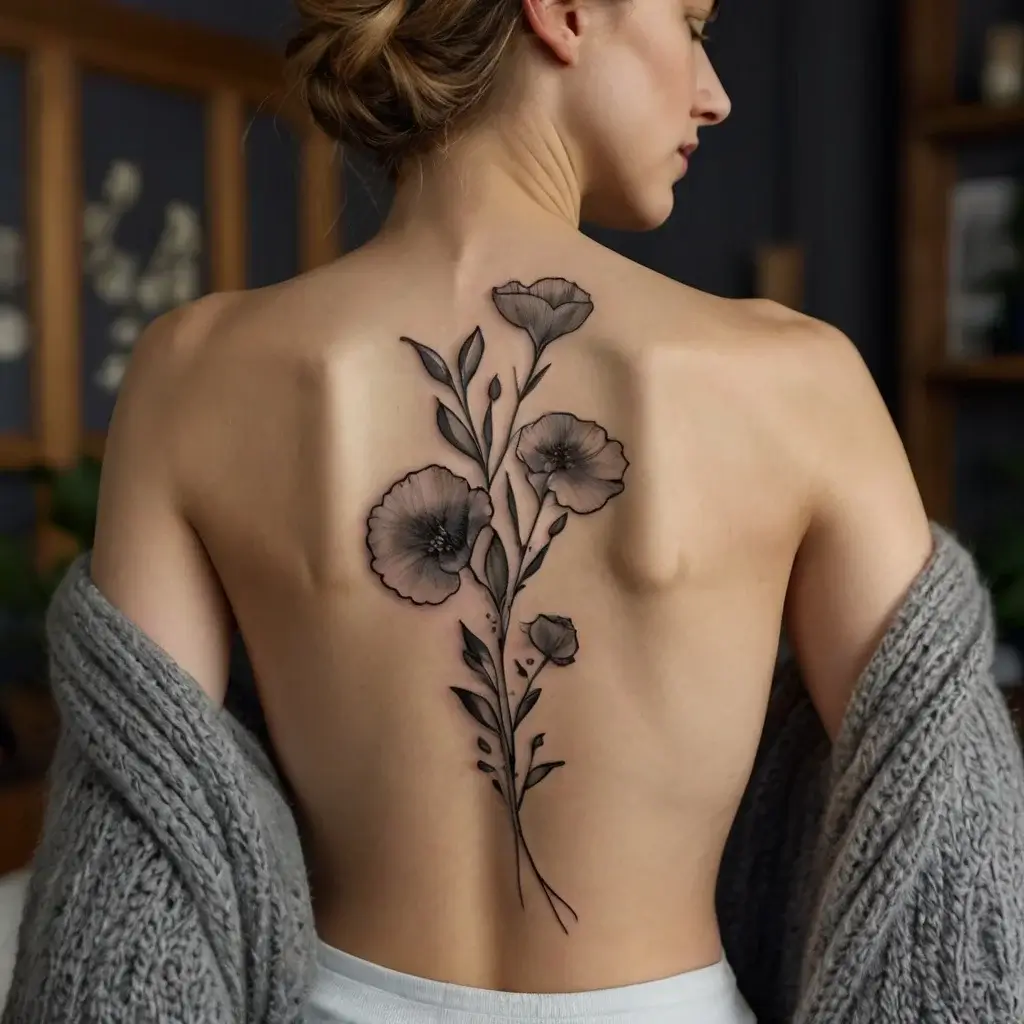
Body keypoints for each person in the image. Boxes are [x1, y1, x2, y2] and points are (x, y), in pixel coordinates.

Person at [87, 1, 934, 1021]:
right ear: (565, 11)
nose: (713, 95)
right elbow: (938, 830)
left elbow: (131, 859)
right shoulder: (798, 381)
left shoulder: (189, 374)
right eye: (694, 23)